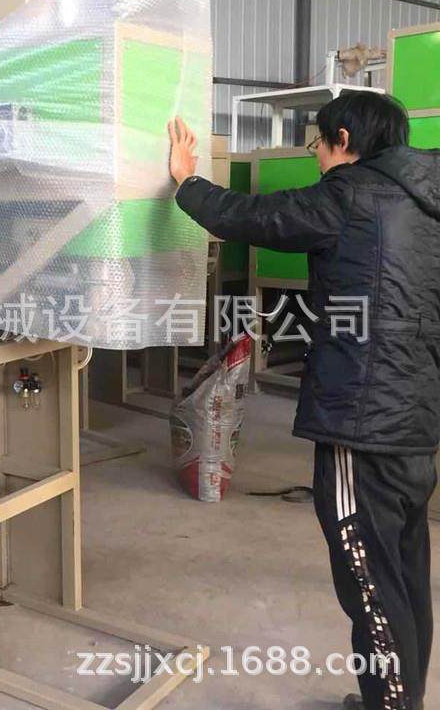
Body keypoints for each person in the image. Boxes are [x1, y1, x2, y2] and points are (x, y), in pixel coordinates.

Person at [168, 92, 439, 710]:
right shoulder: (427, 203)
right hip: (415, 417)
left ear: (344, 139)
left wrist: (187, 182)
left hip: (361, 422)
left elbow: (254, 216)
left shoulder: (350, 195)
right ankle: (400, 700)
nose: (316, 155)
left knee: (368, 582)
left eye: (317, 142)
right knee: (402, 572)